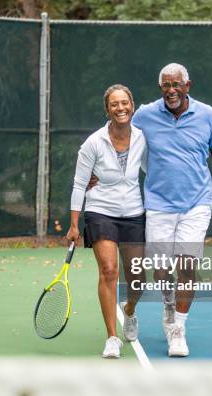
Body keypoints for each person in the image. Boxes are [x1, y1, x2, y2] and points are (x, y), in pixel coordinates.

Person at [132, 63, 212, 357]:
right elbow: (118, 138)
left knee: (187, 265)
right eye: (166, 85)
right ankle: (168, 302)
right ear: (160, 88)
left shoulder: (207, 115)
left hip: (197, 204)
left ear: (188, 85)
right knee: (162, 270)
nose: (171, 90)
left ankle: (178, 329)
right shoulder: (145, 115)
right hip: (158, 204)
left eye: (177, 84)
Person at [66, 84, 147, 359]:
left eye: (125, 103)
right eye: (115, 104)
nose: (120, 108)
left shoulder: (143, 138)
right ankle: (112, 336)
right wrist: (75, 224)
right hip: (101, 211)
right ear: (107, 109)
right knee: (109, 270)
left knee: (137, 278)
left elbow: (154, 169)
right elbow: (79, 184)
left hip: (135, 212)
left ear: (132, 106)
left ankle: (130, 311)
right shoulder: (93, 143)